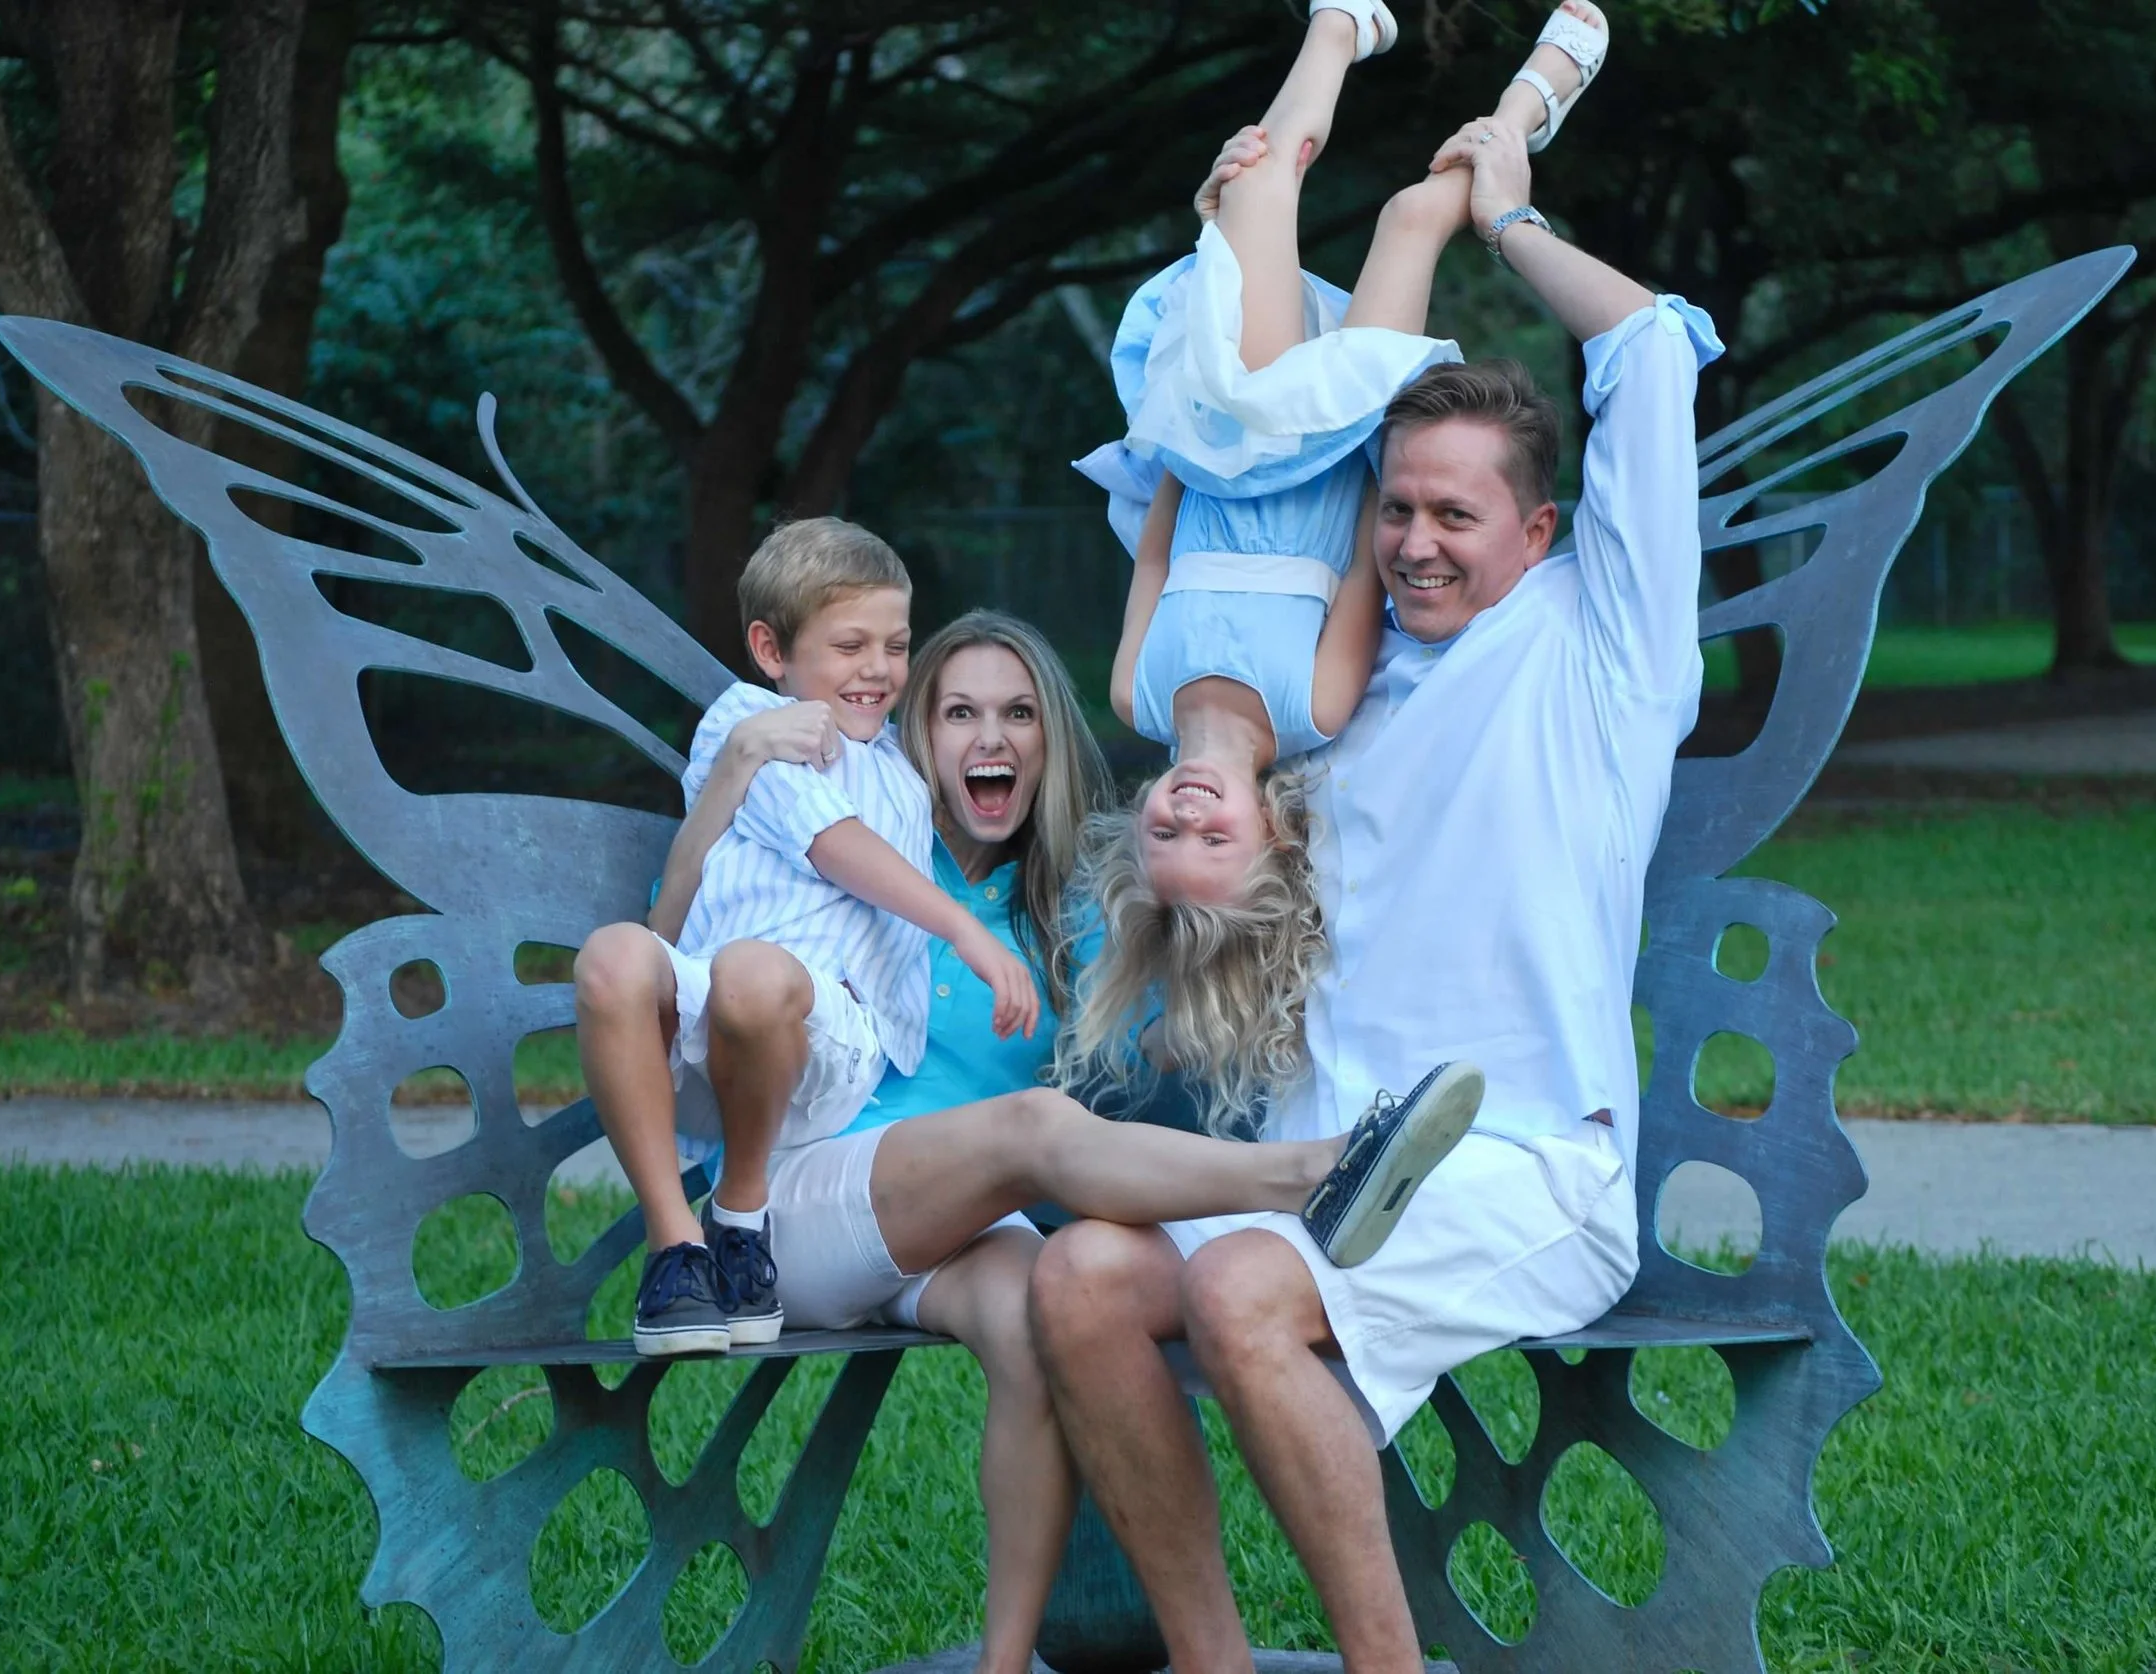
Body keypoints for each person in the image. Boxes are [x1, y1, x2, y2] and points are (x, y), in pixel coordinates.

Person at [1028, 11, 1732, 1673]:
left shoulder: (1606, 645)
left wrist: (1507, 210)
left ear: (1539, 530)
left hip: (1522, 1166)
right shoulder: (1336, 701)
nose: (1412, 541)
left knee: (1249, 1288)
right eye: (1395, 509)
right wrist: (1192, 876)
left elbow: (1651, 351)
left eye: (1451, 515)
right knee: (1081, 1283)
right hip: (1311, 1149)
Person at [663, 610, 1480, 1674]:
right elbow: (678, 941)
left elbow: (1184, 1013)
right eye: (957, 713)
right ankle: (1311, 1178)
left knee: (1047, 1306)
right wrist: (726, 778)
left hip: (950, 1236)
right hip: (785, 1214)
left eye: (1017, 714)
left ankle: (1006, 1666)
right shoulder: (837, 851)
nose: (987, 739)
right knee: (1037, 1126)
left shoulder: (1070, 914)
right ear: (915, 737)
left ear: (1048, 744)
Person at [1059, 0, 1609, 1128]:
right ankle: (1530, 100)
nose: (1190, 813)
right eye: (1216, 839)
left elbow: (1160, 536)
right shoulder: (1314, 707)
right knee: (1412, 219)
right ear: (1270, 839)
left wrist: (1196, 407)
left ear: (1140, 819)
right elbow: (1373, 548)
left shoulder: (1135, 689)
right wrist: (1357, 412)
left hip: (1225, 444)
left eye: (1167, 832)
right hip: (1339, 444)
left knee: (1255, 188)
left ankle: (1343, 27)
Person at [572, 518, 1043, 1359]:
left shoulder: (897, 762)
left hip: (829, 1045)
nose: (878, 669)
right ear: (770, 648)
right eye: (850, 645)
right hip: (712, 1026)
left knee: (753, 971)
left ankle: (741, 1215)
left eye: (896, 646)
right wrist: (963, 928)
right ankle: (677, 1250)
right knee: (611, 954)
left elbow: (856, 831)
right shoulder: (752, 721)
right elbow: (823, 847)